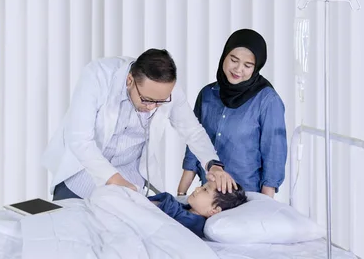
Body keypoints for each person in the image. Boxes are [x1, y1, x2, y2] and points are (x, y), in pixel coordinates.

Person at [42, 49, 236, 201]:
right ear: (129, 81)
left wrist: (213, 164)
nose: (152, 108)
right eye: (147, 100)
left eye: (160, 102)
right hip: (83, 174)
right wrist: (113, 179)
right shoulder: (98, 75)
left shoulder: (168, 90)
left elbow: (192, 131)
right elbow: (79, 139)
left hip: (129, 180)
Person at [177, 29, 287, 198]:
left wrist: (265, 204)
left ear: (256, 67)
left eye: (247, 65)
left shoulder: (267, 101)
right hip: (209, 195)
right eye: (233, 60)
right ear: (224, 56)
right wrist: (181, 193)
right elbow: (194, 145)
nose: (238, 69)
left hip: (246, 196)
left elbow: (273, 154)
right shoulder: (207, 94)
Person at [149, 181, 247, 238]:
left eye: (205, 190)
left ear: (214, 210)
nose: (197, 188)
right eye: (202, 186)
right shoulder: (185, 208)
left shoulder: (193, 223)